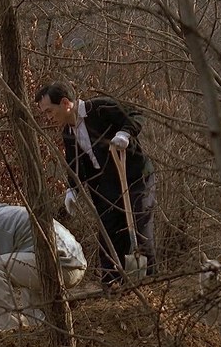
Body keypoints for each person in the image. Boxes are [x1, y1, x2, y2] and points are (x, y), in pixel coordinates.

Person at [35, 81, 157, 286]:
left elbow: (135, 114)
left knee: (140, 228)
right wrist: (73, 189)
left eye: (49, 111)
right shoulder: (68, 133)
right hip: (106, 186)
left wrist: (125, 133)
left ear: (65, 103)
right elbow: (74, 163)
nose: (48, 117)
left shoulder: (100, 108)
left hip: (137, 177)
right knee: (109, 235)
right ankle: (112, 288)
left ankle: (151, 285)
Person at [0, 193, 86, 330]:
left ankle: (9, 329)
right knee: (22, 267)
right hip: (74, 264)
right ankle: (39, 327)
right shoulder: (7, 213)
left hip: (62, 266)